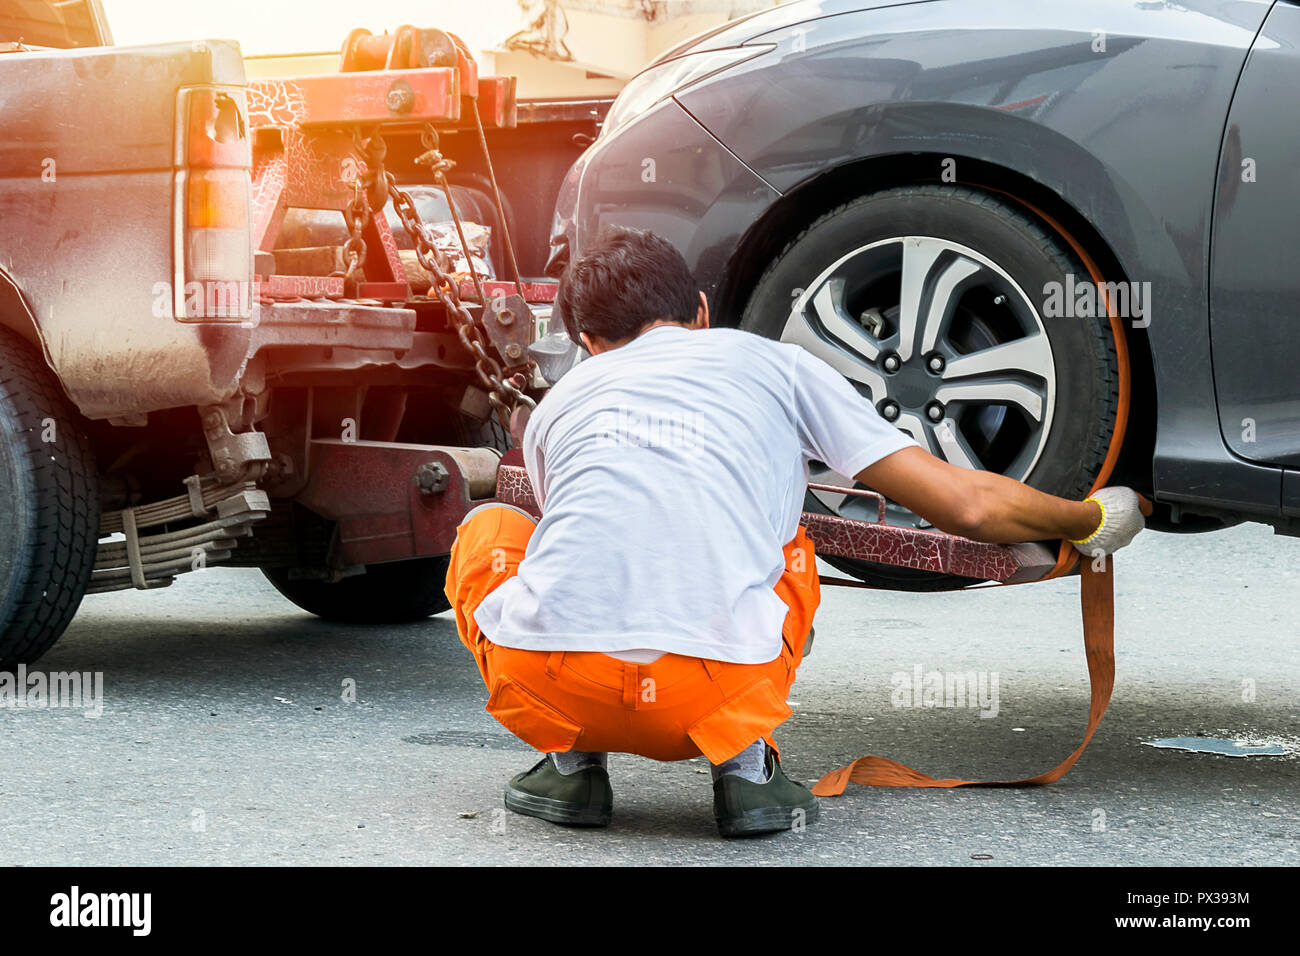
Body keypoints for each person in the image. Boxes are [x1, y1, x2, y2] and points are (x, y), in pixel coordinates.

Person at [444, 226, 1144, 838]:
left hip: (561, 689)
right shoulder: (775, 366)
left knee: (492, 527)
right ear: (702, 313)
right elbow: (966, 508)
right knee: (789, 548)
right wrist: (1090, 518)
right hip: (708, 697)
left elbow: (587, 548)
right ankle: (746, 773)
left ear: (589, 343)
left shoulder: (559, 403)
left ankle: (572, 770)